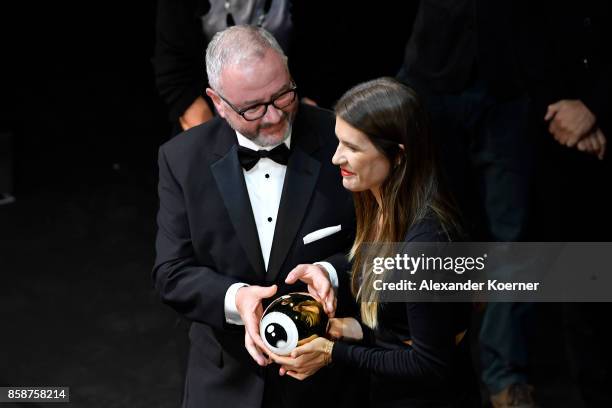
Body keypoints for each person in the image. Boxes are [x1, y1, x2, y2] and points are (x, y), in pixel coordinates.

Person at [152, 25, 365, 407]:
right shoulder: (181, 160)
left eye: (283, 95)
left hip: (329, 382)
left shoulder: (343, 140)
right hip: (223, 383)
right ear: (216, 102)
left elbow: (385, 249)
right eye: (251, 108)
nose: (273, 117)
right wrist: (237, 298)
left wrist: (332, 274)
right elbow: (172, 273)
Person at [271, 77, 481, 407]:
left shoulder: (426, 243)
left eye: (352, 148)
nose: (336, 158)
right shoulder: (378, 204)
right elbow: (397, 336)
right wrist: (344, 329)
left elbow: (431, 364)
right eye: (338, 142)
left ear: (397, 156)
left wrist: (332, 352)